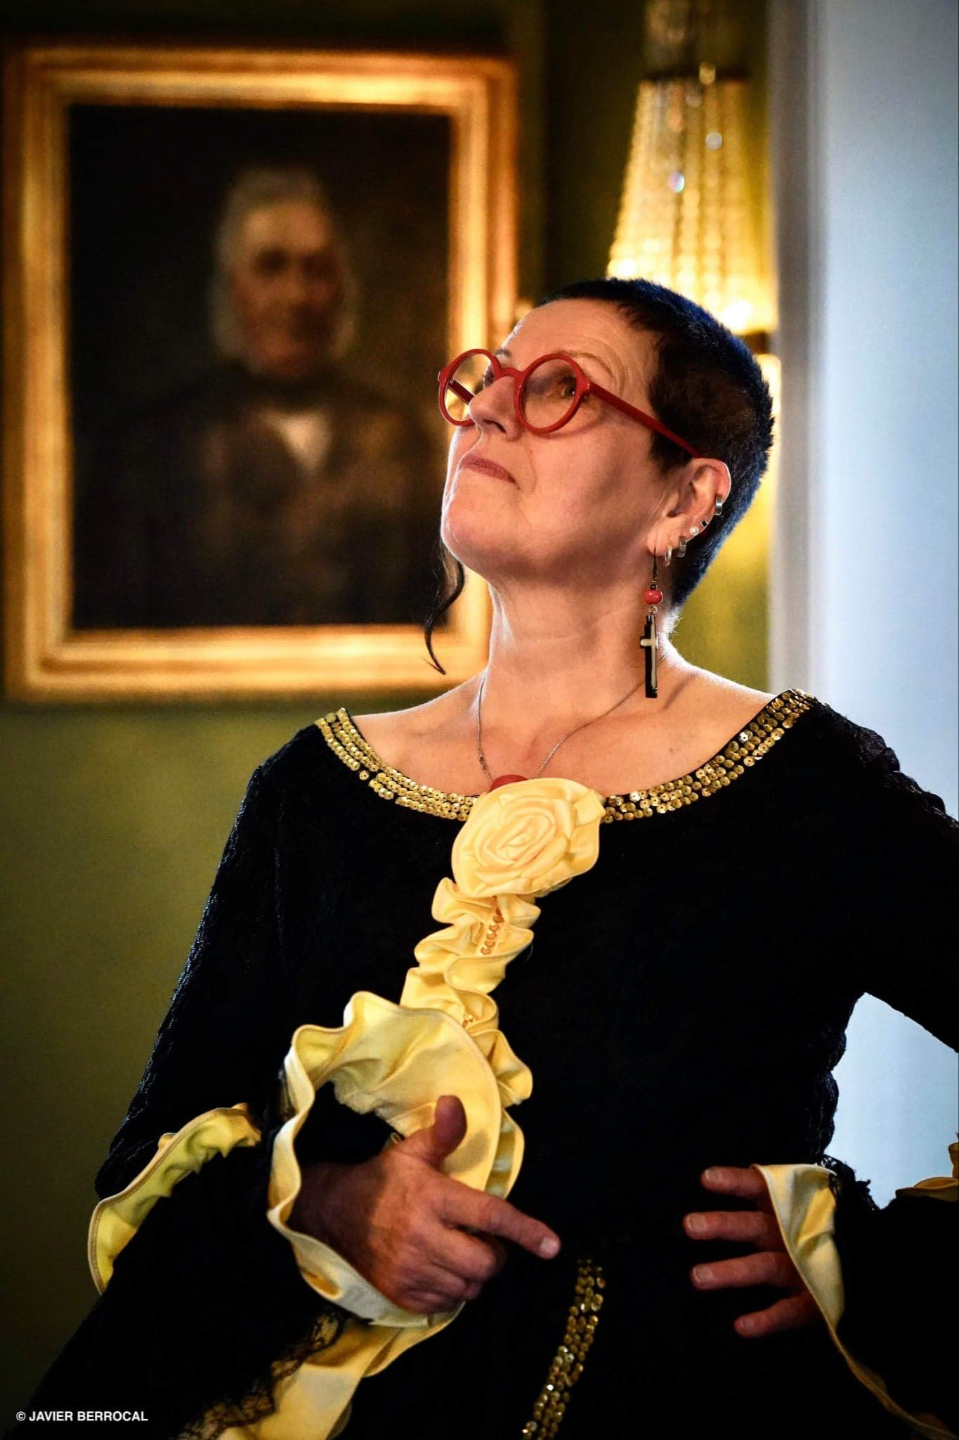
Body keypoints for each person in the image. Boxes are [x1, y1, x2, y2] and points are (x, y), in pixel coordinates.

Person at [20, 277, 955, 1440]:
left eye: (559, 389)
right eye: (488, 379)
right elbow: (151, 1154)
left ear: (683, 496)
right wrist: (328, 1206)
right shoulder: (313, 791)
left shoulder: (803, 784)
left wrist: (860, 1260)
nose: (491, 410)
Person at [73, 167, 439, 629]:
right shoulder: (151, 450)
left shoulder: (399, 442)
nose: (297, 297)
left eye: (317, 270)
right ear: (234, 288)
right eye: (271, 267)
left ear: (341, 289)